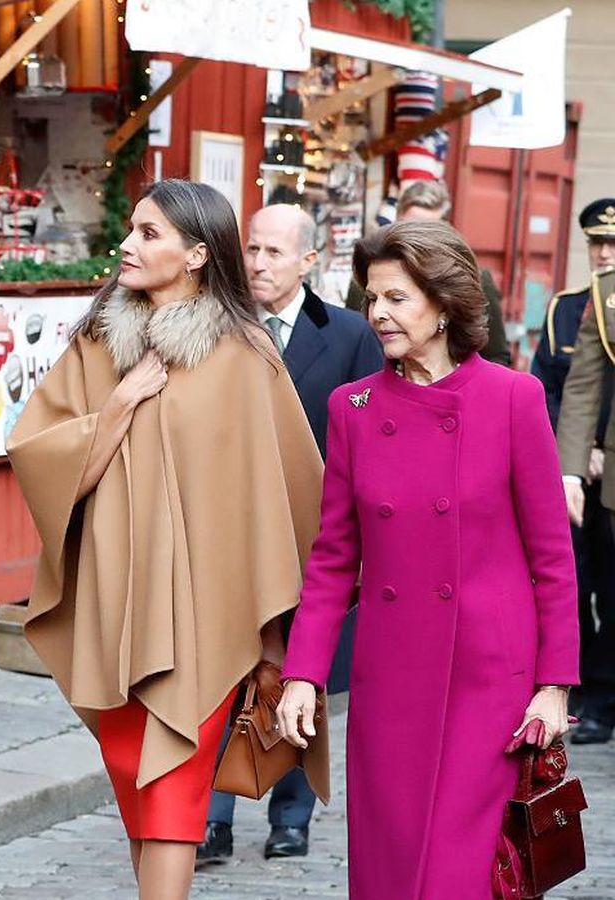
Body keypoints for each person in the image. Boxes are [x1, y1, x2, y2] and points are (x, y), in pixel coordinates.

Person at [7, 179, 327, 900]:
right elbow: (38, 451)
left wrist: (276, 638)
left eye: (149, 233)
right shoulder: (99, 342)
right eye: (132, 229)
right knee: (135, 786)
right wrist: (118, 406)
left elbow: (288, 496)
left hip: (207, 621)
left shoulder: (245, 356)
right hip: (113, 608)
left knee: (175, 796)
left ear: (195, 254)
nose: (128, 243)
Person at [277, 220, 578, 900]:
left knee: (458, 875)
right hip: (393, 680)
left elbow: (553, 558)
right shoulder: (351, 409)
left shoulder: (512, 398)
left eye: (396, 298)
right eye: (371, 298)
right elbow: (331, 561)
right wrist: (303, 674)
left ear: (443, 306)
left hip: (491, 683)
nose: (377, 313)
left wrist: (555, 685)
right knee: (389, 866)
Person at [199, 203, 383, 865]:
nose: (257, 263)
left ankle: (292, 815)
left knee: (301, 671)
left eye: (275, 252)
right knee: (222, 672)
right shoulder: (215, 328)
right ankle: (211, 816)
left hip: (313, 537)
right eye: (251, 249)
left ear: (309, 260)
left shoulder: (348, 335)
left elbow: (365, 439)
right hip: (226, 534)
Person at [551, 198, 615, 745]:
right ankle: (590, 696)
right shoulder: (581, 305)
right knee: (583, 587)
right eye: (598, 244)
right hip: (589, 470)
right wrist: (573, 461)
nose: (605, 255)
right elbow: (568, 389)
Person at [347, 180, 510, 366]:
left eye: (429, 230)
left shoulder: (474, 281)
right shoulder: (365, 283)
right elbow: (350, 351)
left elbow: (497, 355)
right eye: (410, 227)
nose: (419, 240)